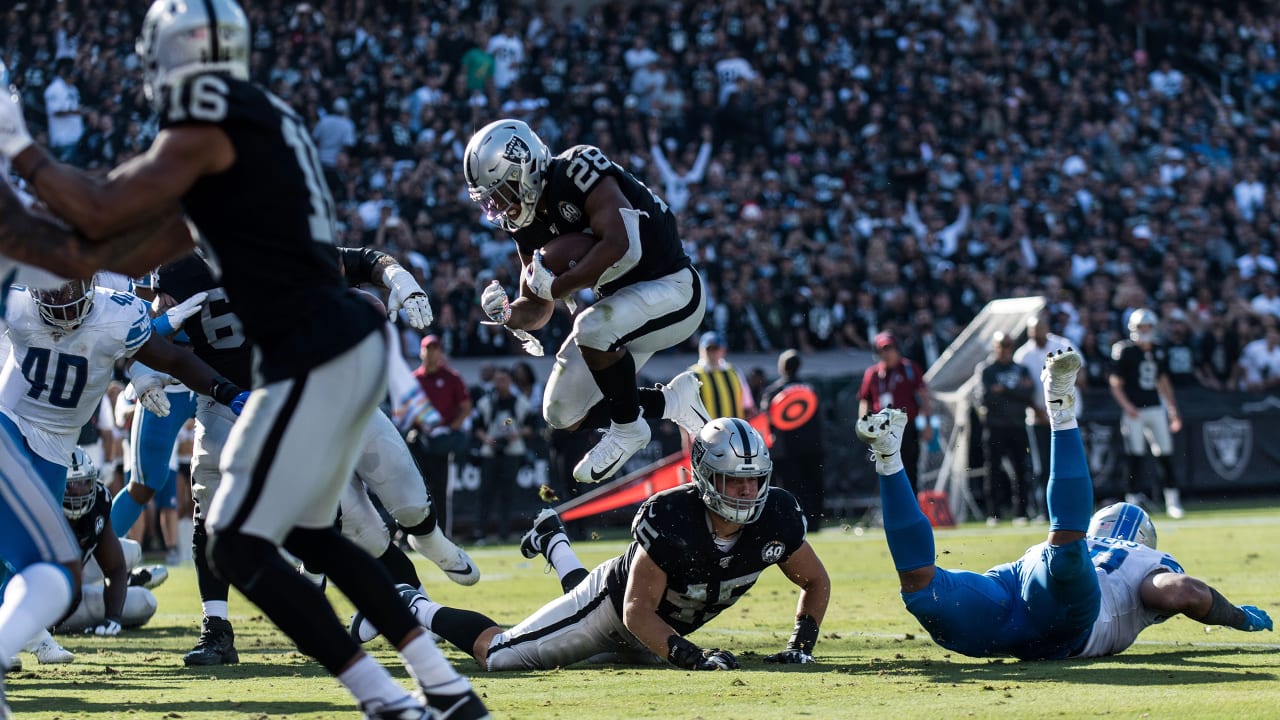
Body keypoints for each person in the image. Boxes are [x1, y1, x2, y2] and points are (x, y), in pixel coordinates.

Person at [0, 3, 487, 717]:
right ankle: (439, 691)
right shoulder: (251, 130)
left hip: (313, 349)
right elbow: (103, 252)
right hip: (324, 348)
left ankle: (392, 698)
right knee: (301, 536)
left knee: (237, 543)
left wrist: (18, 148)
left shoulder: (208, 124)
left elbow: (102, 214)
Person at [856, 348, 1271, 661]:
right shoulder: (1148, 560)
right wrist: (1236, 616)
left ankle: (889, 462)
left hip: (1011, 587)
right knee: (1066, 555)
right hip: (1063, 620)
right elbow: (1184, 591)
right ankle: (1060, 408)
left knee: (922, 588)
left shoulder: (1105, 543)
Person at [413, 418, 830, 671]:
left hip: (656, 635)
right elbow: (634, 610)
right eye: (733, 479)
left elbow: (816, 581)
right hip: (614, 609)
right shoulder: (671, 518)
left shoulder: (776, 516)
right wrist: (690, 656)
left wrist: (800, 646)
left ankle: (553, 540)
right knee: (500, 656)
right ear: (704, 477)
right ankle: (411, 604)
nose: (745, 490)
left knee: (589, 624)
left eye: (754, 478)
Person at [464, 118, 709, 484]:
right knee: (561, 411)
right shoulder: (526, 225)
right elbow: (537, 306)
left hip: (673, 289)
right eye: (491, 199)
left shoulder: (578, 168)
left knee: (591, 326)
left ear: (525, 166)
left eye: (502, 191)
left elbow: (619, 242)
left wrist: (560, 283)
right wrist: (508, 314)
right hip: (623, 314)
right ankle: (672, 402)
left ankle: (630, 430)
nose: (501, 206)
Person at [0, 276, 246, 502]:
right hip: (10, 417)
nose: (61, 300)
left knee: (45, 533)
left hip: (58, 439)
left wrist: (227, 391)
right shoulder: (16, 303)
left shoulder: (117, 311)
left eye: (69, 291)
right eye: (52, 293)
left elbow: (173, 360)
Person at [56, 448, 166, 635]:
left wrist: (113, 618)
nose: (78, 491)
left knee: (144, 597)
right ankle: (127, 583)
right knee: (142, 601)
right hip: (54, 598)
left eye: (84, 482)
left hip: (78, 574)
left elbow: (115, 568)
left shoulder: (98, 501)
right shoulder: (42, 505)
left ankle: (128, 582)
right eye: (70, 485)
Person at [1109, 309, 1184, 518]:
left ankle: (1173, 502)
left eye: (1148, 327)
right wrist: (1127, 406)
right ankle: (1132, 502)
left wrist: (1172, 410)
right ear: (1133, 329)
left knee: (1165, 454)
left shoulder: (1159, 350)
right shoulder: (1124, 350)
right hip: (1134, 411)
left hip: (1155, 408)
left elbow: (1163, 381)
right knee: (1135, 456)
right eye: (1141, 327)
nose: (1145, 331)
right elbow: (1115, 383)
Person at [1014, 313, 1081, 519]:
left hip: (1065, 415)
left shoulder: (1062, 345)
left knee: (1071, 463)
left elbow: (1080, 370)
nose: (1037, 335)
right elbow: (1022, 389)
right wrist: (1037, 409)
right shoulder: (1022, 355)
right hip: (1038, 417)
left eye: (1040, 330)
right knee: (1042, 466)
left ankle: (1074, 506)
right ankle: (1046, 510)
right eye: (1033, 332)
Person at [408, 334, 472, 534]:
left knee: (441, 489)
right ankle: (416, 532)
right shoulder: (414, 379)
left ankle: (442, 532)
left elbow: (465, 406)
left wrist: (451, 427)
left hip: (443, 441)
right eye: (428, 348)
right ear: (421, 352)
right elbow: (407, 408)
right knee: (417, 488)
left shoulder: (451, 378)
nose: (431, 353)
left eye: (435, 348)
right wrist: (423, 425)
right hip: (420, 439)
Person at [974, 331, 1034, 525]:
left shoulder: (1021, 368)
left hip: (1017, 424)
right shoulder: (987, 370)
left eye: (1009, 345)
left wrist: (1005, 390)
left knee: (1021, 469)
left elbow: (1028, 393)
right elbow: (987, 398)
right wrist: (1015, 392)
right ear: (995, 346)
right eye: (1002, 345)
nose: (1006, 349)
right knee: (994, 471)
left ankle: (1021, 512)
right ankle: (994, 513)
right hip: (995, 426)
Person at [760, 349, 824, 530]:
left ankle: (792, 523)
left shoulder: (774, 391)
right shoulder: (811, 388)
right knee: (813, 487)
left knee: (789, 490)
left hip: (785, 450)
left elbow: (767, 419)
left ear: (781, 367)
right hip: (812, 447)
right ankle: (814, 523)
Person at [856, 331, 932, 485]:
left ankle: (910, 508)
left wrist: (927, 424)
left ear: (897, 349)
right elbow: (865, 402)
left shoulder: (910, 368)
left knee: (910, 471)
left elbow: (924, 398)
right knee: (886, 473)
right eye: (882, 350)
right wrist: (865, 427)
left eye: (889, 349)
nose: (886, 354)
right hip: (882, 432)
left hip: (907, 430)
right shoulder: (873, 374)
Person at [471, 367, 533, 543]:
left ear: (511, 381)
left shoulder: (521, 402)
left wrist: (517, 434)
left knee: (508, 494)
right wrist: (487, 439)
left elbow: (532, 426)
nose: (500, 384)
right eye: (497, 380)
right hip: (490, 453)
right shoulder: (485, 403)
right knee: (485, 494)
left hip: (512, 452)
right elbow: (476, 427)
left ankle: (504, 533)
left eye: (504, 380)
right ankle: (480, 532)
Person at [688, 331, 755, 421]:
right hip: (706, 432)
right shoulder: (693, 374)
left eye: (716, 348)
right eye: (709, 349)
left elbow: (747, 404)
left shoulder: (734, 371)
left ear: (723, 350)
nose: (712, 353)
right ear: (701, 350)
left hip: (733, 430)